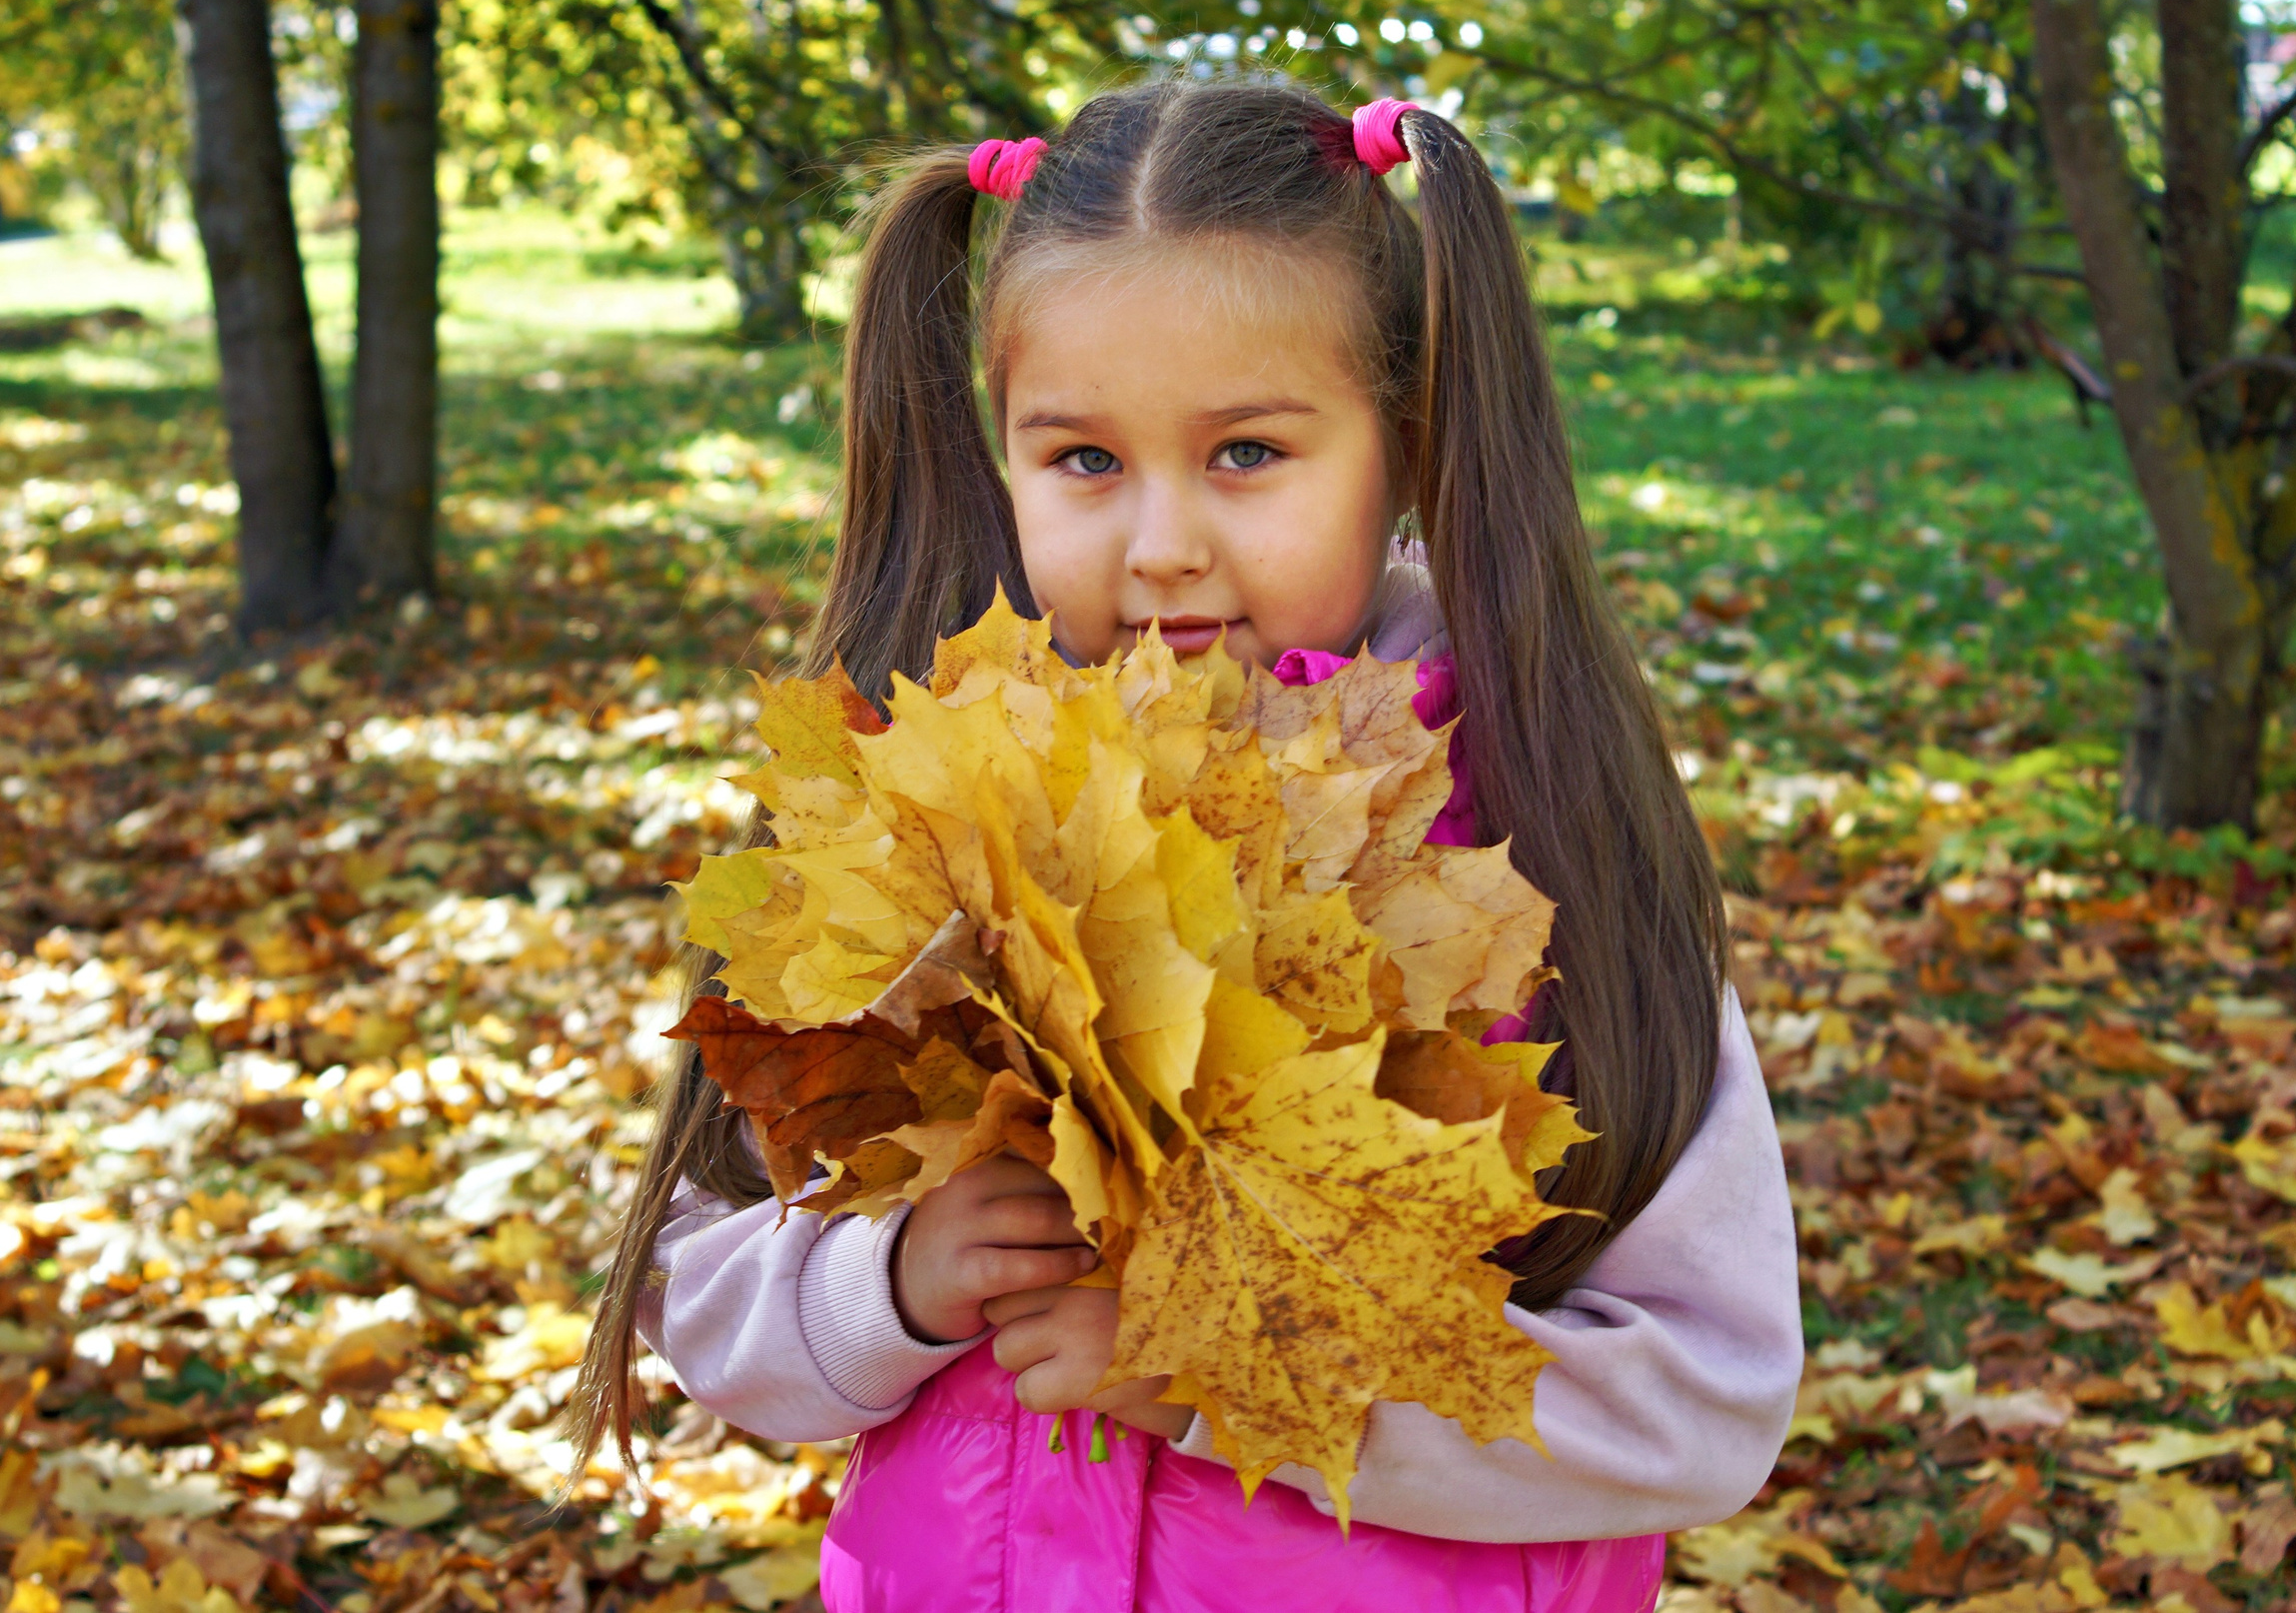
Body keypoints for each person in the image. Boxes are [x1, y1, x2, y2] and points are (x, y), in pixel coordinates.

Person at [569, 80, 1800, 1613]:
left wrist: (1223, 1372)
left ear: (1404, 446)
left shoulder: (1538, 850)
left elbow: (1702, 1406)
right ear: (1002, 453)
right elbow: (706, 1291)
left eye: (1247, 455)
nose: (1161, 544)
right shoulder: (930, 813)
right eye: (1083, 459)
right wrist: (887, 1283)